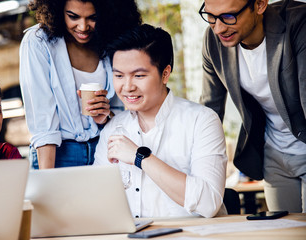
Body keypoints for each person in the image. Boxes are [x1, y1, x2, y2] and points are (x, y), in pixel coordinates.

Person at [94, 24, 228, 218]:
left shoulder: (202, 121)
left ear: (165, 73)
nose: (127, 87)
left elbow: (208, 203)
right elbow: (98, 200)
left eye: (139, 75)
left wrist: (140, 157)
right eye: (119, 76)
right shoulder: (113, 129)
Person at [199, 0, 306, 212]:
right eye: (210, 16)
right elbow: (209, 110)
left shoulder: (299, 23)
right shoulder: (213, 41)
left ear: (259, 5)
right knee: (283, 232)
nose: (218, 27)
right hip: (273, 153)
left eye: (229, 16)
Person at [19, 0, 142, 169]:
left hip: (105, 148)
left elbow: (120, 115)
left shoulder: (110, 41)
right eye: (73, 16)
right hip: (60, 154)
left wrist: (106, 117)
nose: (83, 27)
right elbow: (43, 123)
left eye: (93, 17)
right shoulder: (38, 42)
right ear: (57, 10)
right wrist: (47, 180)